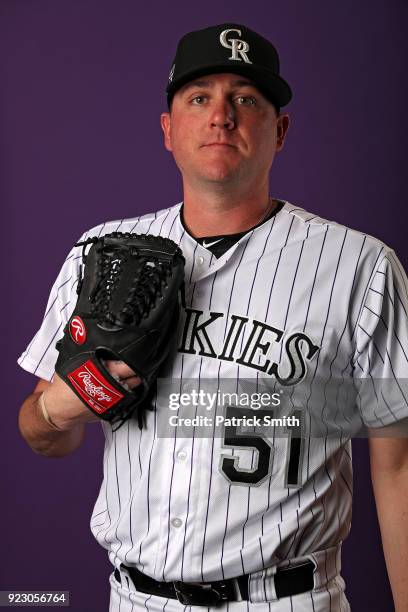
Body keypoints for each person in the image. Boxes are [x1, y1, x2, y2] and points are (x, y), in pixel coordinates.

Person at [18, 23, 408, 612]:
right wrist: (59, 406)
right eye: (199, 98)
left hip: (287, 601)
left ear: (280, 131)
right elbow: (40, 432)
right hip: (134, 599)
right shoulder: (99, 254)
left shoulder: (361, 266)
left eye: (245, 100)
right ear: (169, 132)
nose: (221, 116)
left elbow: (400, 465)